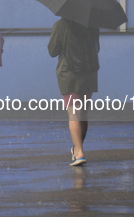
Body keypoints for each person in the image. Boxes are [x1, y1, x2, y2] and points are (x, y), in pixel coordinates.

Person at [48, 17, 100, 166]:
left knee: (73, 113)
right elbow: (97, 47)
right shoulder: (93, 24)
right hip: (89, 73)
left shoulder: (60, 25)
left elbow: (52, 51)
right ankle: (78, 149)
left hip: (69, 73)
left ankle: (79, 152)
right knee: (83, 113)